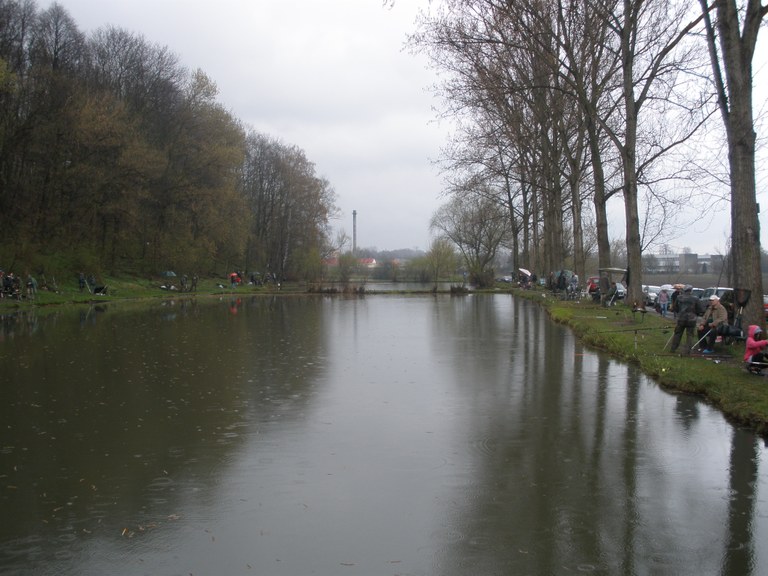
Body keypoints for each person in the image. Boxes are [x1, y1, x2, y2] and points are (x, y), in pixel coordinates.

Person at [669, 285, 704, 355]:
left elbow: (675, 308)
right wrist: (696, 313)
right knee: (690, 335)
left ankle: (673, 348)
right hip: (691, 319)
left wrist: (680, 312)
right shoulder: (695, 298)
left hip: (681, 318)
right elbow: (700, 309)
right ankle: (687, 351)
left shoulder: (679, 297)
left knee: (677, 334)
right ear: (691, 290)